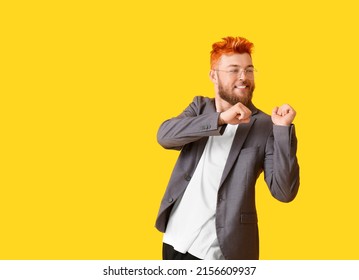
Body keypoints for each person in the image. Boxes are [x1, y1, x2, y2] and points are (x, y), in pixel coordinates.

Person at [155, 36, 300, 260]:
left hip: (221, 251)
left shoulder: (266, 125)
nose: (244, 78)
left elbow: (284, 192)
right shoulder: (199, 107)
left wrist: (282, 130)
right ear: (214, 75)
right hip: (174, 239)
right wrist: (220, 119)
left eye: (249, 70)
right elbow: (165, 136)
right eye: (234, 70)